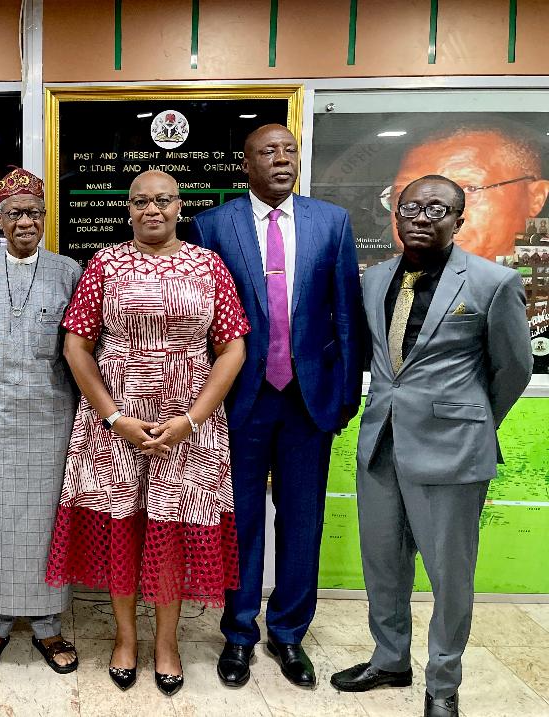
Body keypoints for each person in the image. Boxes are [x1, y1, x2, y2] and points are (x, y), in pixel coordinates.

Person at [331, 175, 533, 717]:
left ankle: (443, 684)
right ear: (395, 216)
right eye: (410, 207)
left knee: (449, 575)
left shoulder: (493, 282)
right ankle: (390, 659)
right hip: (381, 445)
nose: (421, 216)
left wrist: (469, 418)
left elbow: (513, 367)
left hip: (452, 451)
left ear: (459, 219)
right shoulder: (373, 281)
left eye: (437, 208)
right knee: (383, 564)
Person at [45, 170, 248, 696]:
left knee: (172, 534)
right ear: (128, 208)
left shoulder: (209, 265)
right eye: (140, 201)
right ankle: (126, 637)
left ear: (181, 205)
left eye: (162, 200)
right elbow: (76, 346)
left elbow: (233, 350)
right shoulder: (105, 264)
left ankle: (167, 642)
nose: (151, 209)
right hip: (115, 421)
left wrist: (191, 420)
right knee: (123, 528)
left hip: (189, 422)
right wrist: (114, 416)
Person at [189, 124, 362, 688]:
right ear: (246, 164)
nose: (281, 159)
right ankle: (238, 632)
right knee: (236, 521)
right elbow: (201, 322)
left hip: (309, 402)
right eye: (268, 152)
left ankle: (288, 633)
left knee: (302, 520)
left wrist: (344, 394)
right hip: (242, 400)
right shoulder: (214, 226)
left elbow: (344, 312)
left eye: (289, 150)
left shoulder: (330, 223)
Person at [0, 168, 82, 674]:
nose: (25, 221)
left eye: (33, 212)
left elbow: (82, 351)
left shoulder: (69, 271)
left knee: (46, 522)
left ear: (45, 217)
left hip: (52, 417)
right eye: (15, 213)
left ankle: (49, 626)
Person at [385, 126, 549, 261]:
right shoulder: (378, 281)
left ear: (535, 198)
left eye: (469, 189)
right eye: (405, 193)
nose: (429, 215)